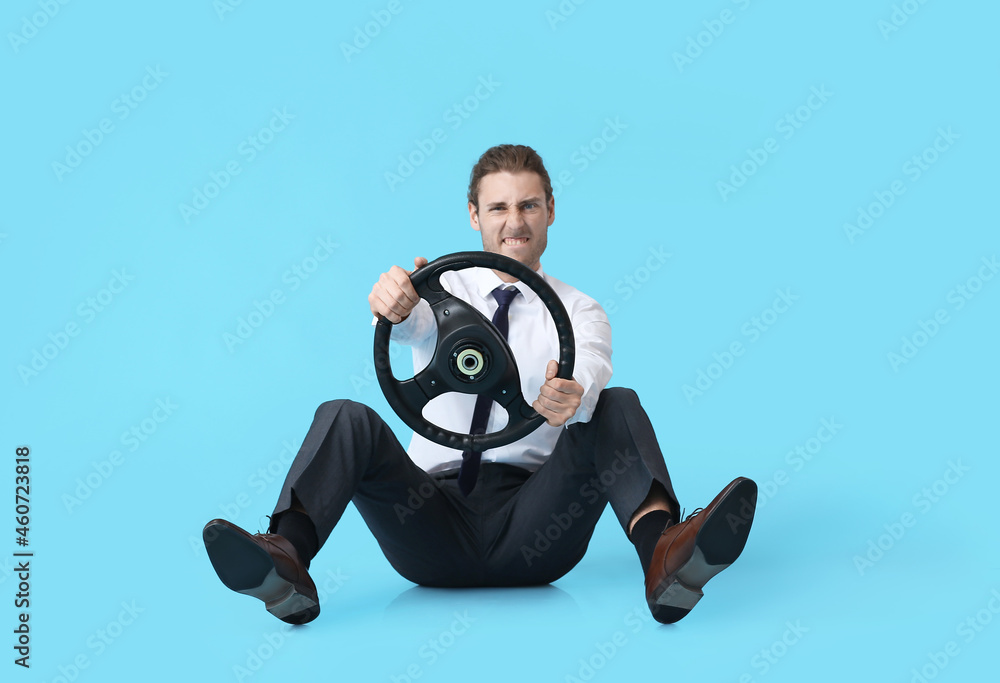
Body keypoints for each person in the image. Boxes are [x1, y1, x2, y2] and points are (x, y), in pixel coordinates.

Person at [203, 144, 757, 626]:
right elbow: (401, 323)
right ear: (474, 215)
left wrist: (570, 396)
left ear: (550, 212)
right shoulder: (437, 290)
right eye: (498, 207)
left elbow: (588, 371)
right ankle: (285, 567)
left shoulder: (583, 310)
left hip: (536, 526)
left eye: (528, 205)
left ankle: (666, 558)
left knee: (614, 404)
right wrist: (394, 304)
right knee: (345, 414)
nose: (514, 220)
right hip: (428, 523)